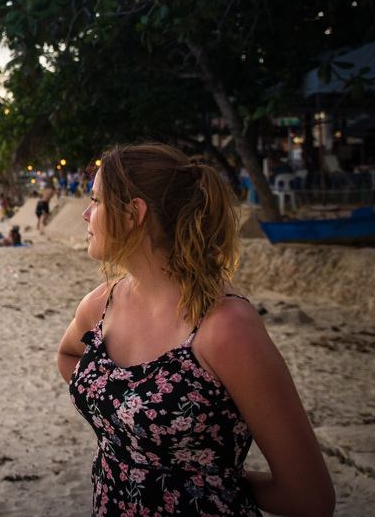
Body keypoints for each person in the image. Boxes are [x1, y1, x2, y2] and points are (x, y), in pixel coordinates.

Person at [56, 144, 334, 516]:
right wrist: (120, 424)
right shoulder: (100, 305)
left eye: (96, 200)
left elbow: (309, 497)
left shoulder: (226, 328)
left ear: (133, 213)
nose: (86, 214)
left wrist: (203, 480)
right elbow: (69, 355)